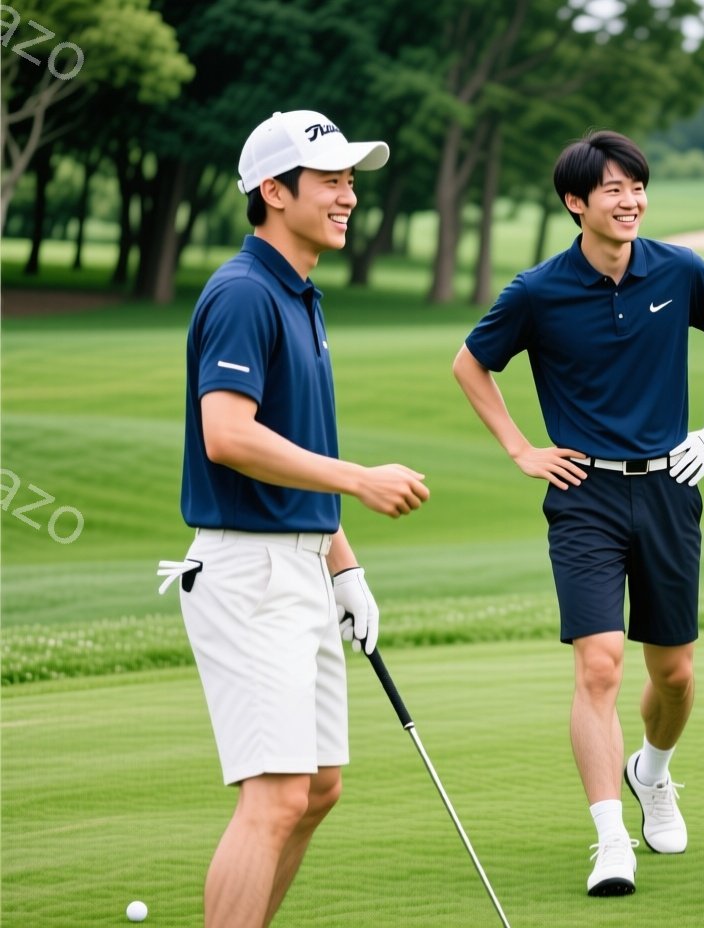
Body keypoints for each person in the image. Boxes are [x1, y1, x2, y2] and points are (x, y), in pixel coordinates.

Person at [452, 130, 704, 898]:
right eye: (613, 190)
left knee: (675, 674)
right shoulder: (537, 291)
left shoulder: (678, 269)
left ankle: (652, 771)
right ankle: (609, 838)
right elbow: (470, 362)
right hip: (583, 495)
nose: (630, 201)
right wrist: (522, 448)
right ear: (575, 203)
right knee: (599, 664)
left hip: (668, 489)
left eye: (637, 187)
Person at [159, 109, 430, 928]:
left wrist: (343, 566)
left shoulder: (299, 295)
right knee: (276, 796)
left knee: (315, 790)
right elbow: (229, 436)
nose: (349, 196)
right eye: (331, 181)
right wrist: (360, 480)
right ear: (274, 191)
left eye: (352, 180)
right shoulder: (243, 292)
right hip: (248, 573)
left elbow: (295, 446)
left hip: (301, 564)